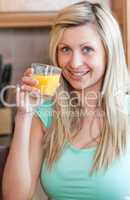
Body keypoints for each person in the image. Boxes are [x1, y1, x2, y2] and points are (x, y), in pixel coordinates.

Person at [2, 1, 130, 200]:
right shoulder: (45, 113)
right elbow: (14, 197)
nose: (74, 62)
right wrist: (24, 116)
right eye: (65, 49)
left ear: (108, 52)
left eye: (87, 49)